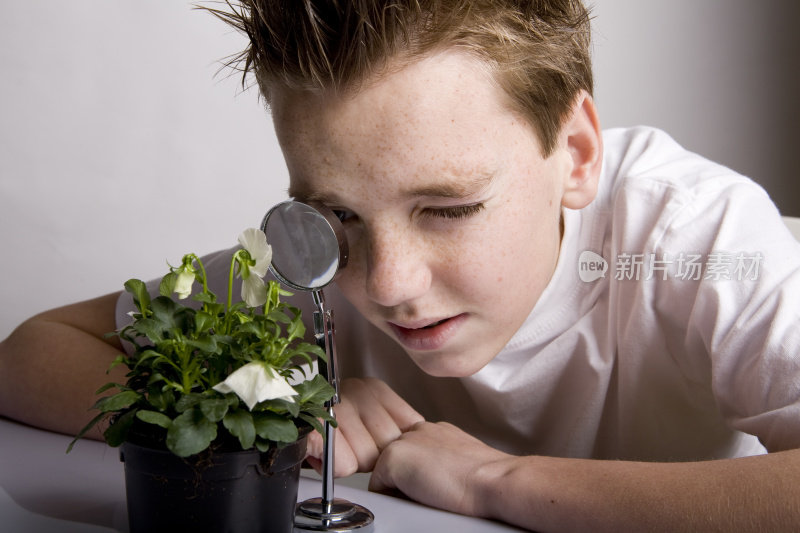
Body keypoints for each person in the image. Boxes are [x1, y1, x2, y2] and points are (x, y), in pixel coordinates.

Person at [2, 1, 800, 530]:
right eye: (336, 214)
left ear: (578, 154)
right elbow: (30, 353)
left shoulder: (695, 239)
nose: (386, 284)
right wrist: (274, 419)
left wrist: (500, 481)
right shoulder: (303, 266)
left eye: (448, 208)